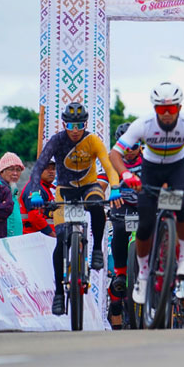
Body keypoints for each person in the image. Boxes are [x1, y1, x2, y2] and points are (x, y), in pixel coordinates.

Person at [110, 82, 184, 306]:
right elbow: (115, 153)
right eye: (162, 109)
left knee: (182, 211)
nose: (168, 114)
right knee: (144, 225)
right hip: (151, 169)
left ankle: (182, 262)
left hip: (177, 167)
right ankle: (142, 274)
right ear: (155, 109)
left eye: (172, 108)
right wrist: (125, 175)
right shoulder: (144, 124)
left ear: (180, 107)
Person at [28, 103, 119, 314]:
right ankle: (59, 293)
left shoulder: (93, 140)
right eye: (71, 125)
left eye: (79, 125)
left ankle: (96, 248)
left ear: (85, 124)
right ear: (64, 124)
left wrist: (114, 187)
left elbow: (108, 165)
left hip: (89, 186)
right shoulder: (58, 140)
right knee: (60, 240)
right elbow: (39, 165)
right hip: (65, 190)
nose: (75, 129)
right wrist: (34, 191)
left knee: (97, 204)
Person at [19, 160, 56, 235]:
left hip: (42, 237)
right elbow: (35, 216)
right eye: (47, 168)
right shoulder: (34, 188)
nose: (51, 171)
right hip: (35, 238)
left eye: (53, 168)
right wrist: (51, 234)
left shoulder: (45, 188)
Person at [0, 152, 26, 238]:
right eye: (11, 169)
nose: (15, 173)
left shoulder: (12, 189)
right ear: (1, 172)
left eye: (18, 170)